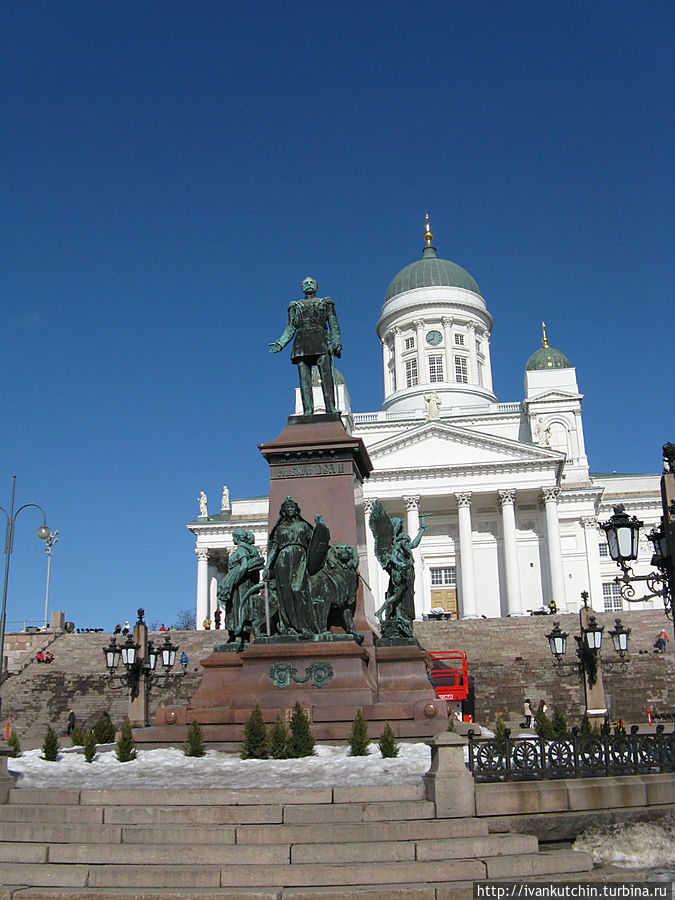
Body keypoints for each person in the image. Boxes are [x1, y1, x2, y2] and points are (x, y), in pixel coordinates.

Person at [269, 276, 342, 415]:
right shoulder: (296, 306)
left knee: (326, 375)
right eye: (305, 283)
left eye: (311, 283)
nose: (308, 285)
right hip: (302, 342)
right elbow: (291, 328)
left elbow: (333, 324)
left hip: (321, 339)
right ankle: (308, 410)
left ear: (316, 286)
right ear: (302, 287)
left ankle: (330, 408)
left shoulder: (325, 303)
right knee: (304, 378)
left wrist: (336, 341)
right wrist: (280, 343)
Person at [262, 497, 317, 635]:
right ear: (284, 512)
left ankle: (304, 625)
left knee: (298, 589)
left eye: (292, 507)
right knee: (285, 594)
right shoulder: (280, 528)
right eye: (287, 507)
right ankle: (289, 627)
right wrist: (267, 566)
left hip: (300, 557)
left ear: (296, 510)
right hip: (283, 559)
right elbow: (274, 548)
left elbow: (314, 544)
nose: (290, 509)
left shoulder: (304, 526)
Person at [217, 528, 264, 641]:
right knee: (238, 607)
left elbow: (244, 566)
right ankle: (239, 634)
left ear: (238, 538)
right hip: (241, 583)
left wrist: (232, 580)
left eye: (234, 537)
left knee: (237, 607)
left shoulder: (241, 550)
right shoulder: (245, 549)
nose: (233, 539)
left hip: (239, 585)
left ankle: (240, 634)